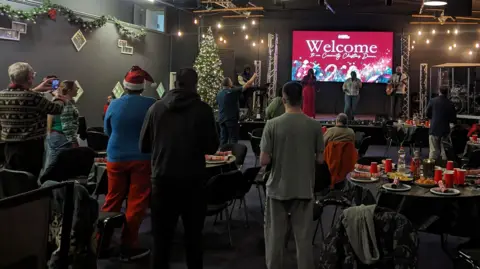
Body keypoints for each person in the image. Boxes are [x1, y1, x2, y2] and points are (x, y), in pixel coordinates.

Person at [139, 68, 219, 269]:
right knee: (194, 239)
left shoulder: (156, 109)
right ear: (195, 84)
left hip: (162, 181)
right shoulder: (203, 110)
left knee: (161, 241)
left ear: (176, 84)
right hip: (194, 182)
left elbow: (143, 146)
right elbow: (212, 147)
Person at [260, 81, 324, 269]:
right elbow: (320, 159)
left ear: (283, 100)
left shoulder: (271, 125)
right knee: (303, 241)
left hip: (277, 188)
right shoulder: (314, 126)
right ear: (302, 99)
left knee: (274, 238)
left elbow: (264, 160)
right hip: (304, 187)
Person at [101, 66, 157, 261]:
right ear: (142, 87)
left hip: (115, 156)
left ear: (125, 86)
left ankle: (101, 241)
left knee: (112, 199)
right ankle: (128, 243)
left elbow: (107, 130)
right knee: (137, 201)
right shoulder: (151, 104)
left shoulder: (114, 105)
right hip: (142, 158)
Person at [0, 62, 66, 178]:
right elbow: (57, 109)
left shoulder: (2, 96)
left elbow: (21, 98)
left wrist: (36, 89)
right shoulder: (34, 97)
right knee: (29, 180)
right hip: (31, 148)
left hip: (9, 147)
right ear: (29, 78)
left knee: (12, 179)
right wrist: (58, 96)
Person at [44, 81, 79, 171]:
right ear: (69, 90)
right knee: (58, 167)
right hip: (62, 137)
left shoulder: (57, 100)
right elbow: (67, 124)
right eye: (76, 88)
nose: (78, 89)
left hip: (55, 136)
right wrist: (73, 141)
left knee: (52, 164)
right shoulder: (66, 103)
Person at [217, 73, 257, 145]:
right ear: (229, 83)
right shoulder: (233, 92)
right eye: (231, 81)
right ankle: (232, 155)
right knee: (233, 140)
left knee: (223, 140)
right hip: (231, 120)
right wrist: (254, 76)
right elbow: (247, 85)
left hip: (221, 120)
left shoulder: (219, 94)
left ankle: (223, 154)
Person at [426, 86, 457, 161]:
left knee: (433, 151)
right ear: (448, 93)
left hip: (434, 128)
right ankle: (444, 168)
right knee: (444, 152)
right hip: (445, 130)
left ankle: (431, 168)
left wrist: (433, 118)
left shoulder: (432, 101)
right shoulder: (450, 103)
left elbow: (427, 113)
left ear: (439, 91)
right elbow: (453, 119)